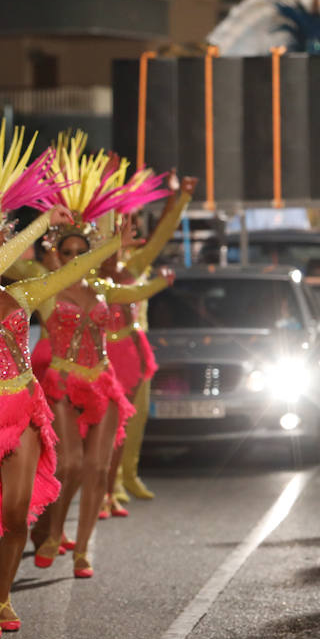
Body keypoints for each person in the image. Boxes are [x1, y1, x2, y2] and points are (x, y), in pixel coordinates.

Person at [0, 121, 112, 637]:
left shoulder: (25, 294)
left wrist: (68, 232)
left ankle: (3, 594)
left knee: (16, 514)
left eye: (4, 244)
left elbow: (69, 271)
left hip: (21, 406)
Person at [29, 134, 166, 579]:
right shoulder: (48, 291)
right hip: (66, 382)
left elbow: (134, 290)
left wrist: (160, 282)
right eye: (65, 253)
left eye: (79, 253)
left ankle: (83, 549)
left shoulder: (103, 289)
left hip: (101, 379)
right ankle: (52, 531)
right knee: (69, 464)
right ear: (55, 255)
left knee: (97, 466)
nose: (72, 259)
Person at [102, 175, 194, 514]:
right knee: (111, 421)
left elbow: (160, 239)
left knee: (137, 417)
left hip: (134, 347)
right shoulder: (92, 273)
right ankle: (107, 485)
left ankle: (129, 474)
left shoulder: (136, 265)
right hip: (103, 352)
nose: (127, 232)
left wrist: (181, 199)